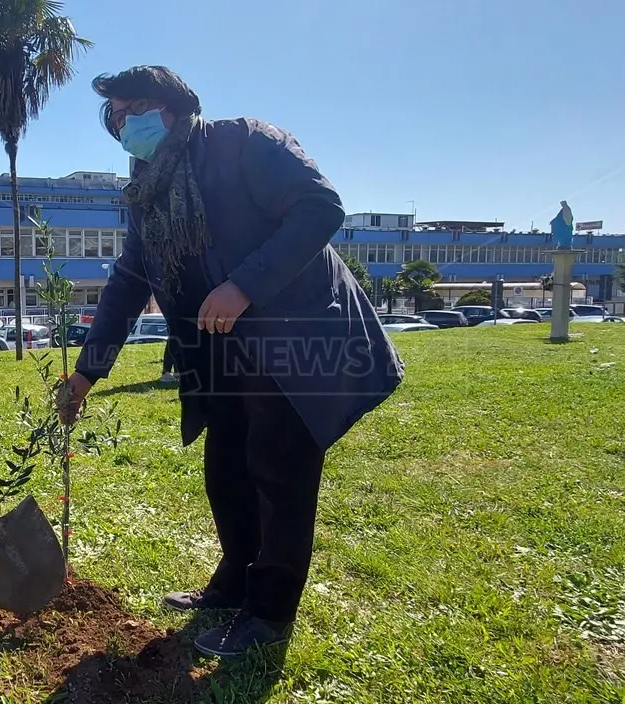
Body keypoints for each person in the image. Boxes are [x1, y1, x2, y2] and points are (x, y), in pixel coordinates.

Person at [60, 66, 404, 659]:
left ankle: (269, 614)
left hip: (294, 331)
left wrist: (245, 285)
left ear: (173, 107)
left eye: (133, 108)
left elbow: (320, 207)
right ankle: (234, 582)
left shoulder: (245, 142)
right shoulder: (148, 189)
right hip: (221, 349)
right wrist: (89, 371)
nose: (124, 123)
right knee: (226, 468)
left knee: (278, 469)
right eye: (114, 116)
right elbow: (128, 280)